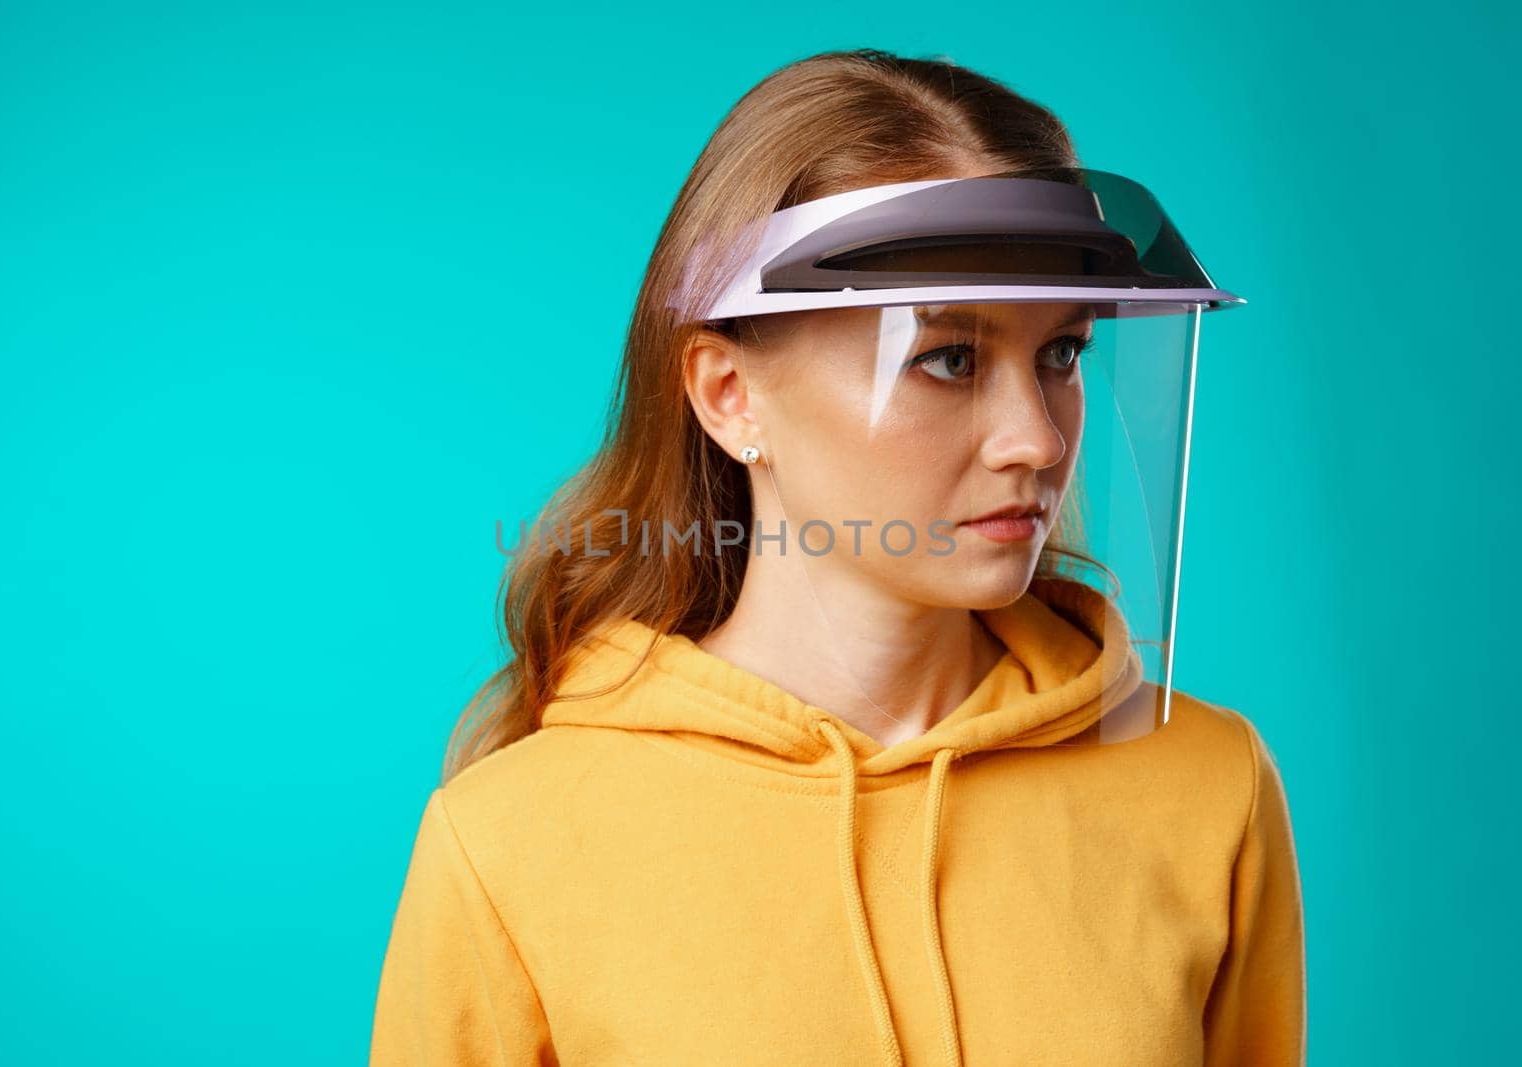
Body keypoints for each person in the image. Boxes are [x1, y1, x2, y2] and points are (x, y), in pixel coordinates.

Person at [368, 48, 1305, 1066]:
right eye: (948, 357)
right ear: (730, 394)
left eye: (1061, 353)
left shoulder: (1205, 785)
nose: (1035, 438)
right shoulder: (512, 839)